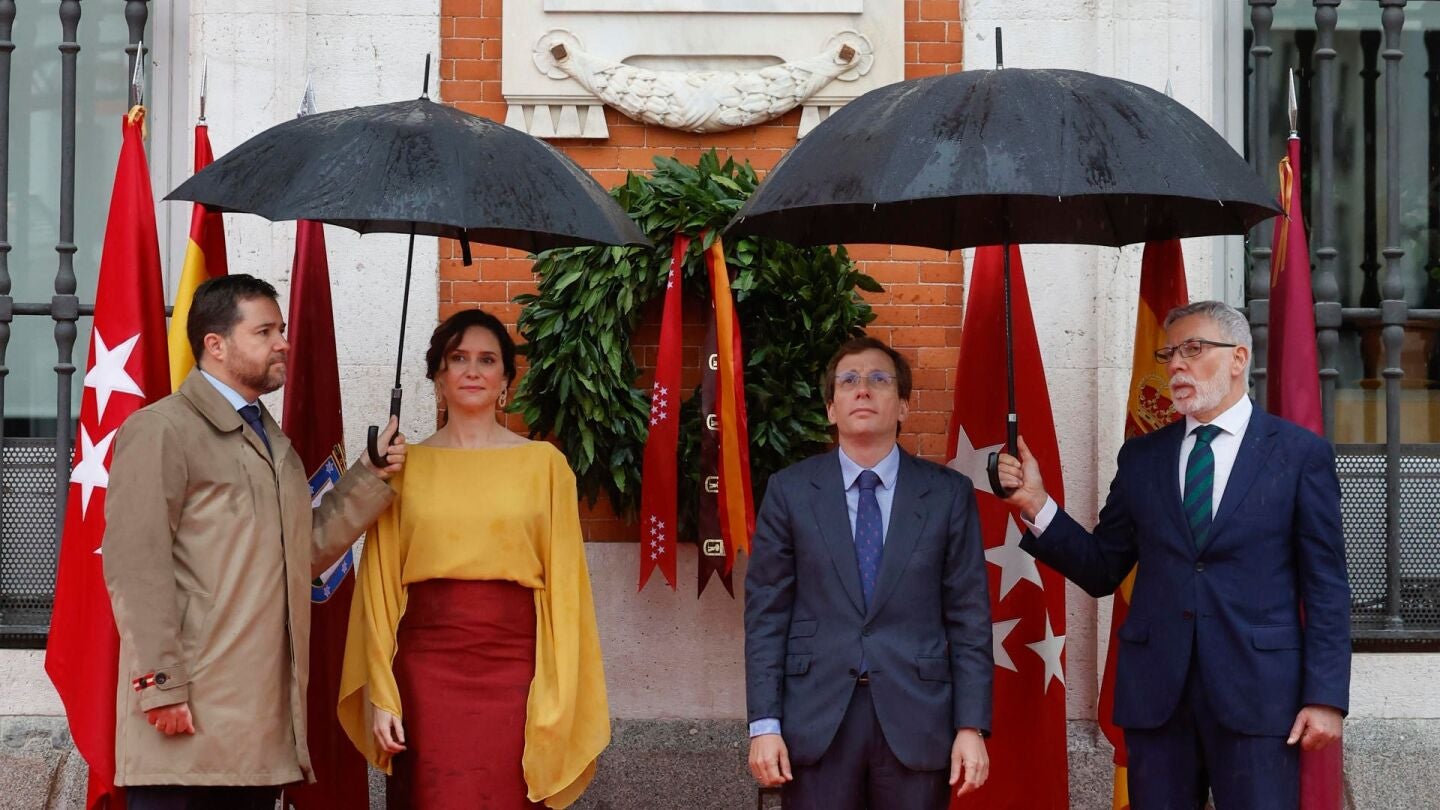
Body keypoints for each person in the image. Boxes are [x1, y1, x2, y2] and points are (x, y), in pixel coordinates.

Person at [996, 300, 1350, 809]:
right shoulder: (1143, 456)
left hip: (1260, 697)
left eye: (1193, 349)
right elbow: (1102, 568)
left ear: (1238, 358)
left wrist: (1326, 697)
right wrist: (1037, 504)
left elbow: (1326, 588)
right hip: (1158, 697)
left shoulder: (1298, 454)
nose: (1176, 365)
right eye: (1169, 354)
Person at [103, 274, 406, 810]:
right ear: (215, 345)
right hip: (185, 725)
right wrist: (161, 686)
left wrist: (369, 475)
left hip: (258, 732)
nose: (283, 343)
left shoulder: (271, 440)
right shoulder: (162, 429)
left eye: (281, 330)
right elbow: (135, 567)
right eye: (265, 332)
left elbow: (300, 553)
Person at [338, 308, 609, 809]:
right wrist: (382, 692)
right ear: (438, 377)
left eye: (487, 360)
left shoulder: (545, 467)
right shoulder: (401, 467)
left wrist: (561, 689)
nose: (472, 370)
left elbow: (568, 592)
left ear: (505, 381)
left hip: (519, 672)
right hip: (424, 672)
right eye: (458, 358)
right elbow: (377, 588)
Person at [744, 336, 993, 810]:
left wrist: (970, 726)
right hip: (816, 721)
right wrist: (764, 725)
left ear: (903, 406)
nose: (863, 389)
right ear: (830, 409)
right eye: (849, 381)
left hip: (918, 720)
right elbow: (766, 617)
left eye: (879, 379)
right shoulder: (790, 492)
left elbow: (969, 617)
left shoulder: (947, 495)